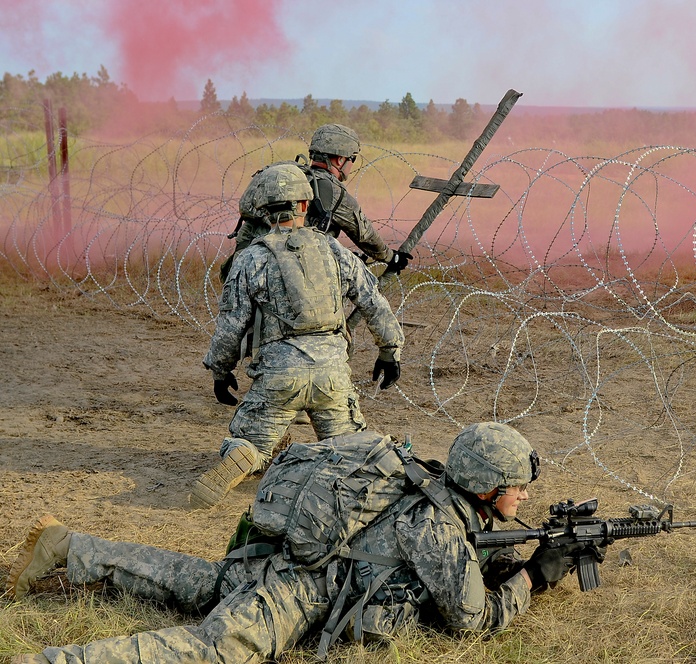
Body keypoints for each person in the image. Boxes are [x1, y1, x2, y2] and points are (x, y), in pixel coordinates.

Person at [6, 422, 582, 664]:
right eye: (517, 488)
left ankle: (66, 547)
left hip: (273, 559)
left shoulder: (427, 481)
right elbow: (470, 620)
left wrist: (512, 554)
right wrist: (533, 577)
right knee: (216, 650)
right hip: (301, 591)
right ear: (487, 487)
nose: (525, 496)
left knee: (194, 581)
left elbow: (471, 554)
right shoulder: (437, 523)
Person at [192, 162, 405, 509]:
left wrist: (220, 369)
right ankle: (358, 467)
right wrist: (389, 350)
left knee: (252, 444)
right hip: (332, 374)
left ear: (262, 209)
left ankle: (245, 455)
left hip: (279, 375)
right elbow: (373, 301)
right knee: (349, 447)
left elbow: (231, 324)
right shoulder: (336, 252)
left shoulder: (251, 258)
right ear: (305, 205)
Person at [220, 123, 411, 283]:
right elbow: (365, 236)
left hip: (244, 268)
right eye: (352, 159)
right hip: (292, 277)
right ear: (340, 159)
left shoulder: (286, 177)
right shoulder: (333, 192)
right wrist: (391, 257)